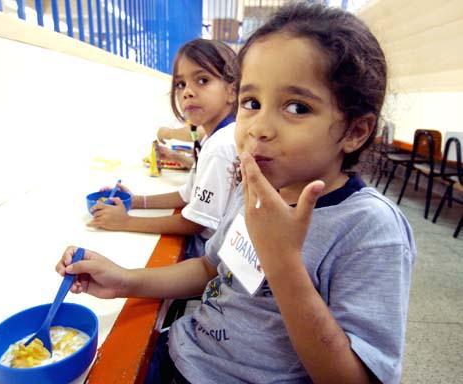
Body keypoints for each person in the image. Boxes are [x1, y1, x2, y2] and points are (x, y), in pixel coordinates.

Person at [58, 3, 416, 383]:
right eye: (252, 103)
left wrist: (283, 263)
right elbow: (210, 270)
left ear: (355, 131)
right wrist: (125, 279)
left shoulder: (370, 230)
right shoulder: (256, 187)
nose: (259, 128)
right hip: (181, 353)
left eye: (296, 107)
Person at [89, 38, 239, 257]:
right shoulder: (214, 138)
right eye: (181, 84)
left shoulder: (222, 145)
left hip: (208, 255)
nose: (187, 92)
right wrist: (135, 201)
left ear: (231, 91)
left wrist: (126, 222)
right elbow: (186, 196)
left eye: (203, 80)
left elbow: (195, 223)